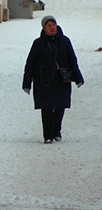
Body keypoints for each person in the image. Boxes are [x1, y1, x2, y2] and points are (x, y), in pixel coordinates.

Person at [22, 15, 85, 143]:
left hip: (62, 79)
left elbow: (72, 60)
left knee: (60, 106)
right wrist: (27, 83)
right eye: (49, 25)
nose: (52, 27)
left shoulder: (65, 41)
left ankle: (56, 131)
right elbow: (30, 63)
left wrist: (78, 77)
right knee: (46, 108)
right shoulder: (38, 43)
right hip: (43, 81)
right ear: (44, 28)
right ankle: (48, 135)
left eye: (53, 25)